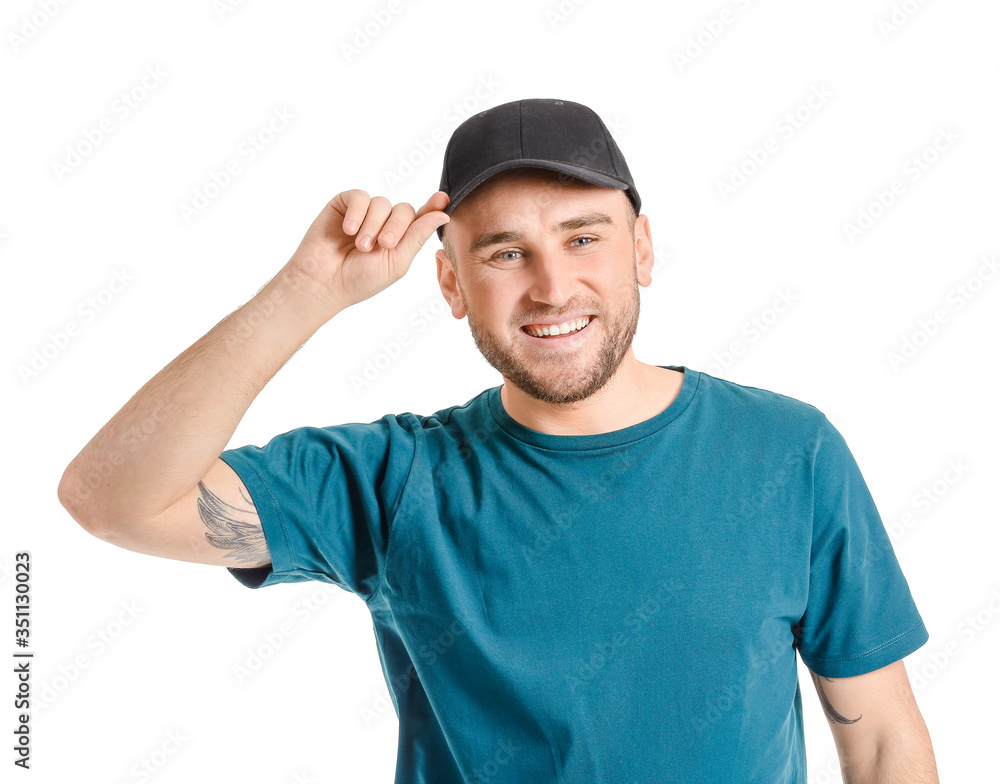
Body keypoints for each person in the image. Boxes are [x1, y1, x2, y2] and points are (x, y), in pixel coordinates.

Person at [58, 98, 939, 783]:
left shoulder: (789, 453)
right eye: (504, 254)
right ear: (449, 282)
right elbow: (112, 499)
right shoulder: (390, 480)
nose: (553, 287)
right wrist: (306, 291)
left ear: (642, 246)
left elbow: (884, 740)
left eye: (583, 238)